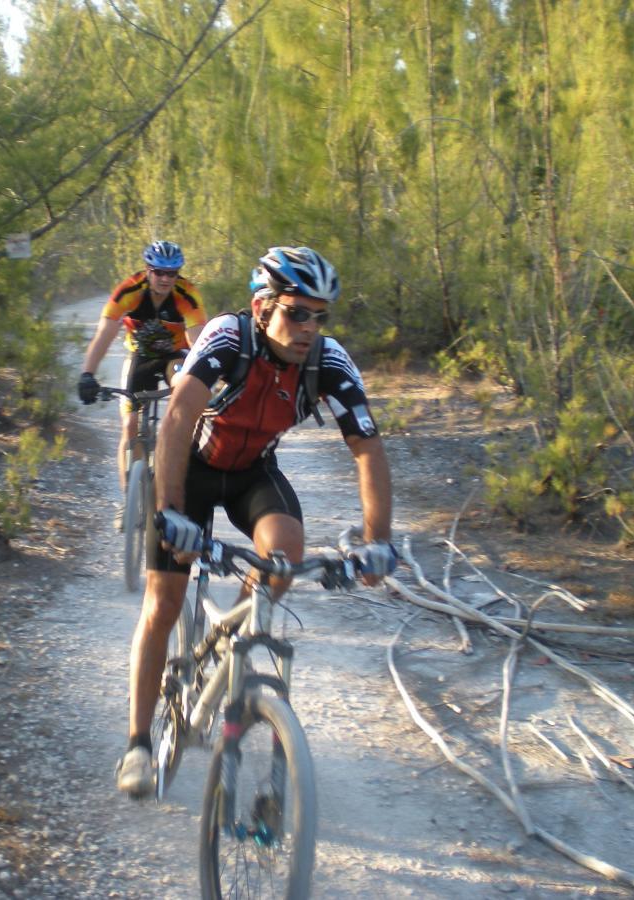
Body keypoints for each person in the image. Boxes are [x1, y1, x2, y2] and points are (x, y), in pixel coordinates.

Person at [115, 245, 398, 797]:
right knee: (164, 602)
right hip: (189, 469)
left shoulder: (329, 362)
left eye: (321, 316)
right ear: (262, 306)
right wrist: (171, 512)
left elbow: (368, 448)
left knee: (285, 554)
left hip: (250, 473)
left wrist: (377, 542)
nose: (309, 328)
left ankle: (231, 639)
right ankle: (138, 743)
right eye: (297, 312)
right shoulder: (227, 337)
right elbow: (176, 419)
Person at [77, 241, 208, 519]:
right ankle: (130, 501)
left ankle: (182, 475)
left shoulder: (187, 294)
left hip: (176, 356)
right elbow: (105, 332)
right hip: (141, 357)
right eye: (159, 272)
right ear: (148, 271)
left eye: (172, 274)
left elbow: (199, 342)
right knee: (130, 424)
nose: (165, 279)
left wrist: (204, 381)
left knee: (185, 396)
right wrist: (87, 373)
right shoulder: (129, 291)